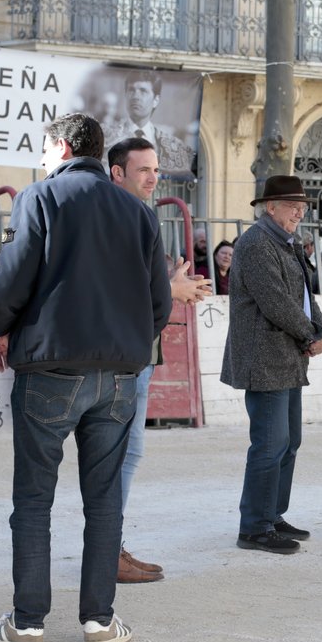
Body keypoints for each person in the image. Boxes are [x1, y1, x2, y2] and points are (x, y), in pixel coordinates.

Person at [0, 113, 173, 642]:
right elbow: (159, 302)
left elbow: (13, 280)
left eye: (44, 151)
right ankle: (99, 623)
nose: (42, 161)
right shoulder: (136, 210)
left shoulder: (40, 198)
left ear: (62, 147)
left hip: (50, 370)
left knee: (34, 499)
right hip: (117, 377)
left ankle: (27, 625)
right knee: (105, 501)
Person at [106, 136, 212, 585]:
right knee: (119, 456)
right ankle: (107, 551)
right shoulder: (113, 216)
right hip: (120, 356)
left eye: (155, 170)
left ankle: (111, 546)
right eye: (143, 169)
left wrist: (169, 282)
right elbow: (114, 289)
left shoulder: (140, 215)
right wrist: (171, 290)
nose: (153, 177)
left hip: (140, 353)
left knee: (127, 454)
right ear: (117, 172)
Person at [221, 175, 322, 555]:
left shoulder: (285, 243)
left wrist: (320, 328)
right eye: (292, 206)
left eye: (301, 207)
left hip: (285, 357)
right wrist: (309, 334)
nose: (299, 212)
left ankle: (272, 514)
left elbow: (303, 295)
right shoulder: (256, 243)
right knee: (269, 445)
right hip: (264, 358)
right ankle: (254, 526)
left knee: (289, 442)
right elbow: (275, 302)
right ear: (269, 207)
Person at [103, 70, 193, 176]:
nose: (136, 96)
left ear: (156, 100)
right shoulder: (106, 137)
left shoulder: (169, 145)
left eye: (143, 91)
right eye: (131, 90)